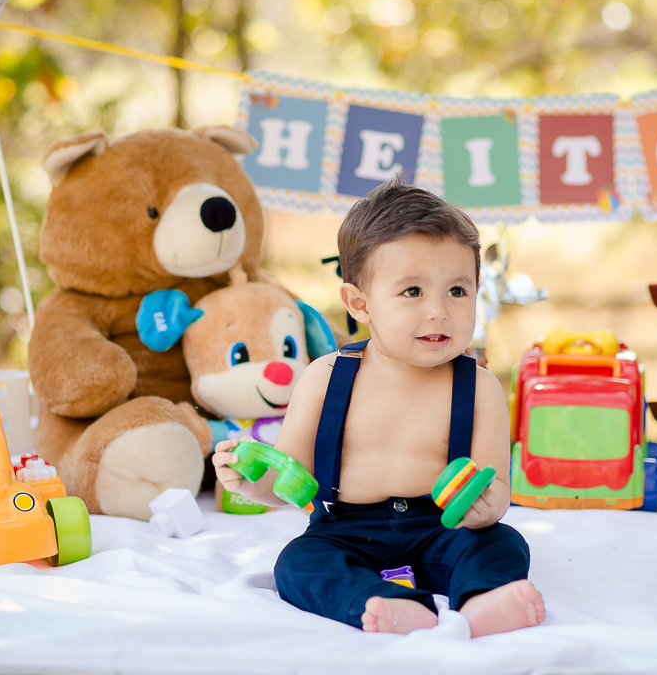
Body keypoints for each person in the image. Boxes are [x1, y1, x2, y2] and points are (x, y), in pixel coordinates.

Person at [213, 177, 544, 636]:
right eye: (413, 292)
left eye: (457, 290)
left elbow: (495, 487)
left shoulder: (480, 387)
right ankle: (385, 602)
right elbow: (291, 484)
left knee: (502, 544)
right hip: (347, 530)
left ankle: (484, 600)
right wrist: (250, 484)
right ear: (359, 303)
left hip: (442, 526)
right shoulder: (325, 378)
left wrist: (487, 509)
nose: (439, 311)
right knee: (298, 563)